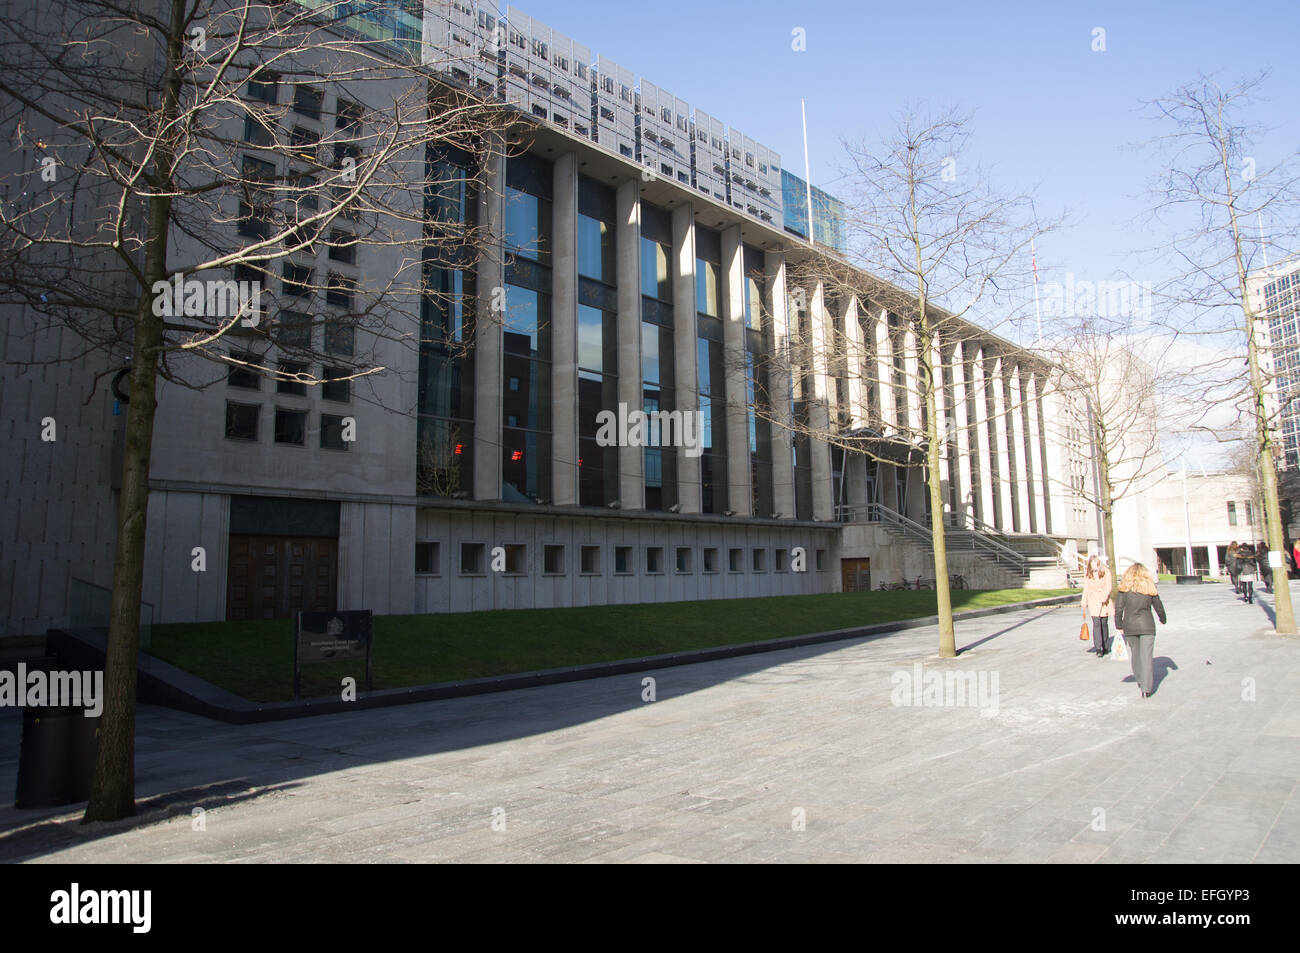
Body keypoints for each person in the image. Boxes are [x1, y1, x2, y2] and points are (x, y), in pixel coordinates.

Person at [1114, 562, 1167, 698]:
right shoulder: (1149, 587)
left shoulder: (1124, 589)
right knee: (1147, 657)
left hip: (1130, 625)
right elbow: (1158, 605)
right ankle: (1146, 688)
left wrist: (1118, 625)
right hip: (1147, 625)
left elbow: (1119, 609)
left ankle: (1140, 679)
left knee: (1136, 655)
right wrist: (1162, 618)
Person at [1080, 554, 1113, 658]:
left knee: (1104, 623)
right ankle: (1098, 648)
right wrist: (1084, 601)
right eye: (1092, 563)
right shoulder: (1088, 574)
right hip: (1093, 600)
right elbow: (1086, 588)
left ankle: (1105, 645)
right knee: (1096, 624)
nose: (1094, 565)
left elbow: (1109, 586)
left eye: (1095, 563)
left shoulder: (1106, 572)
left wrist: (1104, 597)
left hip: (1104, 601)